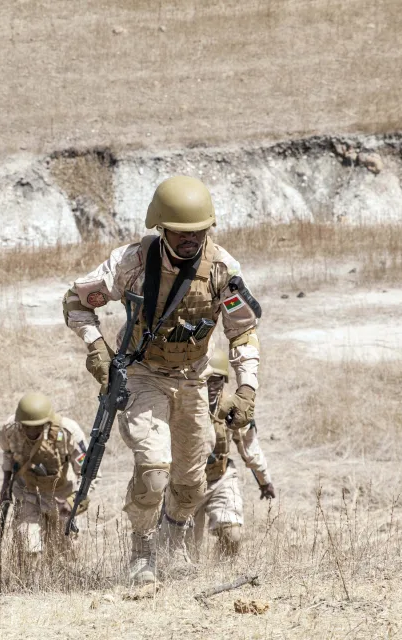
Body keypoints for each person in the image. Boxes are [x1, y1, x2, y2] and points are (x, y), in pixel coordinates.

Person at [62, 175, 262, 583]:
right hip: (142, 374)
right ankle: (142, 552)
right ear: (161, 228)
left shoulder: (222, 268)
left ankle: (174, 547)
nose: (191, 241)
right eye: (181, 233)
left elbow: (242, 331)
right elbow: (75, 302)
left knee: (191, 484)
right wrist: (98, 348)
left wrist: (245, 388)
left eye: (199, 233)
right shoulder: (131, 264)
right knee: (154, 469)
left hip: (193, 378)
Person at [189, 352, 275, 559]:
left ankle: (224, 574)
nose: (212, 386)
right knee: (186, 550)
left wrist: (264, 480)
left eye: (217, 380)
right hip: (187, 482)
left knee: (232, 535)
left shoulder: (231, 407)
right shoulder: (182, 407)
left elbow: (249, 447)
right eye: (207, 380)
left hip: (220, 477)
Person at [0, 392, 91, 558]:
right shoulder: (10, 429)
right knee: (28, 547)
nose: (31, 430)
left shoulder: (68, 432)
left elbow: (89, 472)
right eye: (26, 426)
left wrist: (74, 501)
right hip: (28, 493)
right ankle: (31, 583)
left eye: (37, 426)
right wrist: (5, 485)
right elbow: (8, 454)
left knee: (65, 553)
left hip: (61, 496)